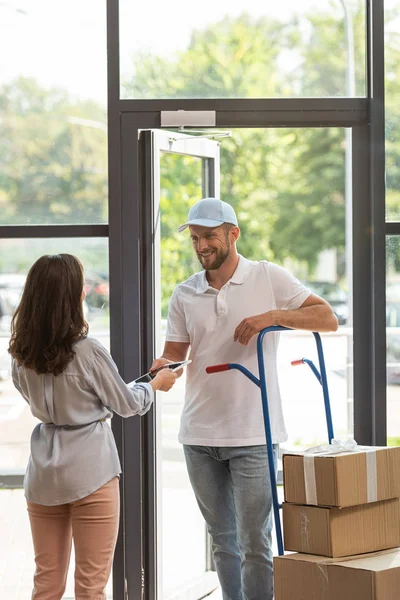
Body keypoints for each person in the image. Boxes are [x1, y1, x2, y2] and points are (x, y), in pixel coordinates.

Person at [151, 198, 338, 600]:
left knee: (256, 544)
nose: (202, 246)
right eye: (196, 238)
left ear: (233, 234)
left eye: (210, 237)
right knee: (223, 541)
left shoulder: (268, 277)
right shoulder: (185, 293)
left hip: (254, 434)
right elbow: (175, 355)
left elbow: (327, 318)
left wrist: (271, 317)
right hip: (198, 436)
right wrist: (163, 368)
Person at [8, 254, 177, 600]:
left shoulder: (20, 356)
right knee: (90, 586)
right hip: (91, 474)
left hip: (42, 475)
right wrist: (155, 384)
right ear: (72, 298)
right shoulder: (88, 352)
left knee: (46, 583)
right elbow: (128, 404)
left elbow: (34, 400)